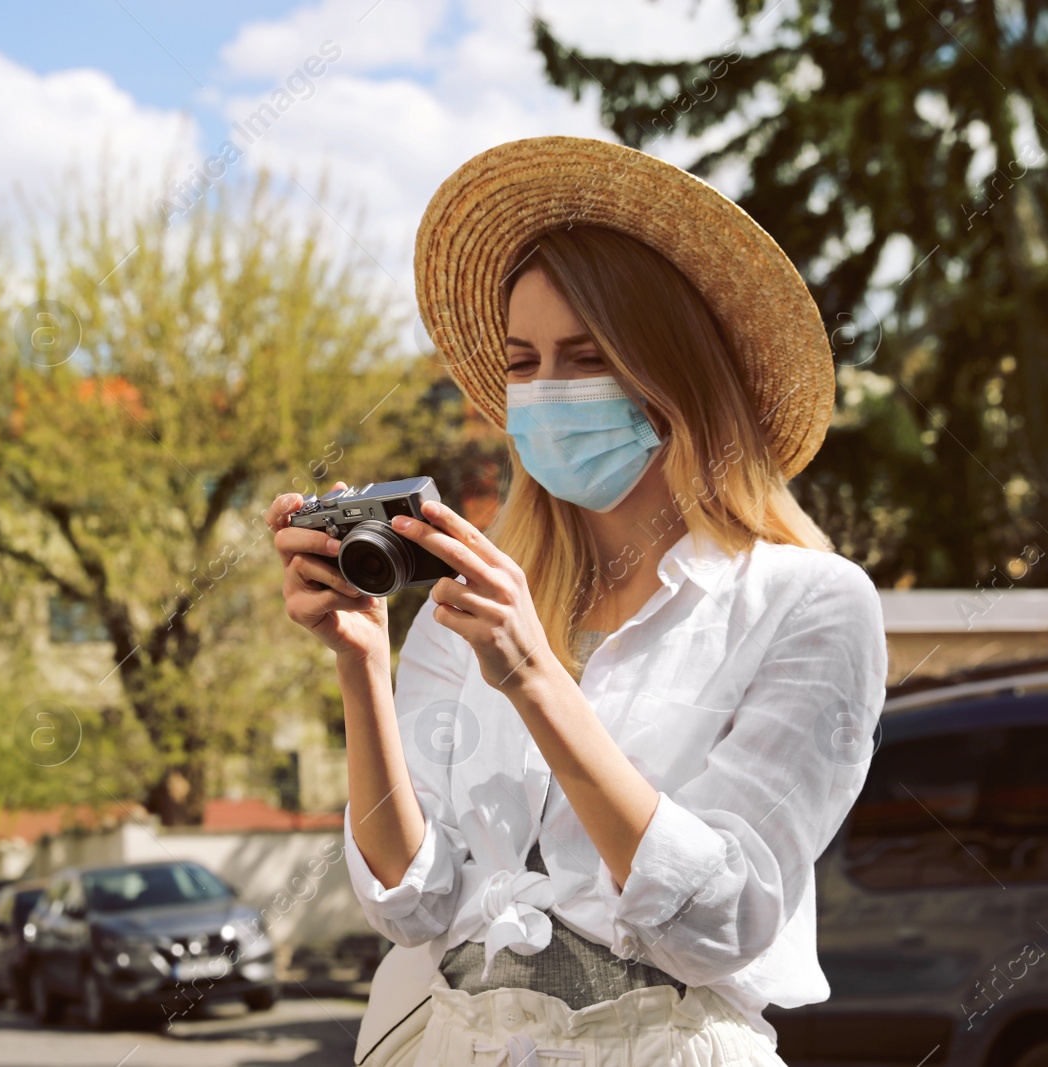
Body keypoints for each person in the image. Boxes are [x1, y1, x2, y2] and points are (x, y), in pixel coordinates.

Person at [266, 135, 887, 1066]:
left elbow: (721, 920)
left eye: (585, 355)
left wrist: (534, 680)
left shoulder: (810, 605)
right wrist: (362, 661)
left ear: (673, 376)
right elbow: (412, 899)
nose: (547, 393)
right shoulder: (463, 608)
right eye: (523, 362)